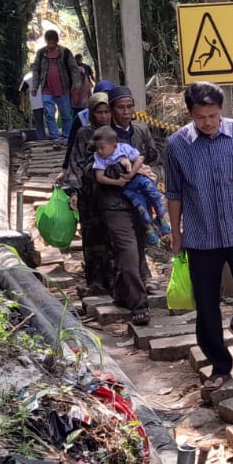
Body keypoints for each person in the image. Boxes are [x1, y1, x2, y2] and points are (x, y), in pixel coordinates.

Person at [164, 81, 233, 392]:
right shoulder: (177, 145)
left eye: (213, 116)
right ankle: (219, 364)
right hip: (201, 236)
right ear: (190, 114)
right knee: (206, 304)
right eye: (201, 117)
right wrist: (175, 234)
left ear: (222, 112)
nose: (208, 123)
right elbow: (174, 192)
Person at [64, 93, 149, 325]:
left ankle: (122, 292)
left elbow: (154, 158)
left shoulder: (140, 131)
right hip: (109, 203)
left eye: (129, 107)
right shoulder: (95, 135)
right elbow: (82, 165)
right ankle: (138, 303)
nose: (124, 112)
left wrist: (149, 173)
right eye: (118, 108)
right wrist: (74, 191)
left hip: (139, 202)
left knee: (136, 250)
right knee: (125, 249)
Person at [90, 126, 171, 245]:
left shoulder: (124, 149)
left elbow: (140, 159)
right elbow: (99, 177)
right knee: (139, 206)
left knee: (153, 193)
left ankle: (162, 218)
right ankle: (150, 230)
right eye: (97, 149)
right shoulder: (99, 158)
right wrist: (117, 182)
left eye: (102, 148)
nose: (100, 151)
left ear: (114, 146)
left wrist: (131, 173)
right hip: (127, 187)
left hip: (138, 178)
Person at [31, 30, 81, 144]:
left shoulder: (65, 53)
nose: (50, 45)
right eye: (48, 43)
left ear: (56, 42)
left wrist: (76, 85)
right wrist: (35, 87)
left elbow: (74, 69)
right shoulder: (41, 53)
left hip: (63, 89)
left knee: (66, 115)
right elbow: (36, 71)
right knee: (49, 114)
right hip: (46, 89)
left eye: (52, 43)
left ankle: (67, 137)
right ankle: (55, 138)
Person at [17, 71, 47, 141]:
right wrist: (22, 103)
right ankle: (42, 140)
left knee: (49, 121)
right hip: (37, 102)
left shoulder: (47, 72)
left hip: (47, 102)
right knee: (39, 123)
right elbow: (22, 90)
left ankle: (52, 138)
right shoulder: (28, 76)